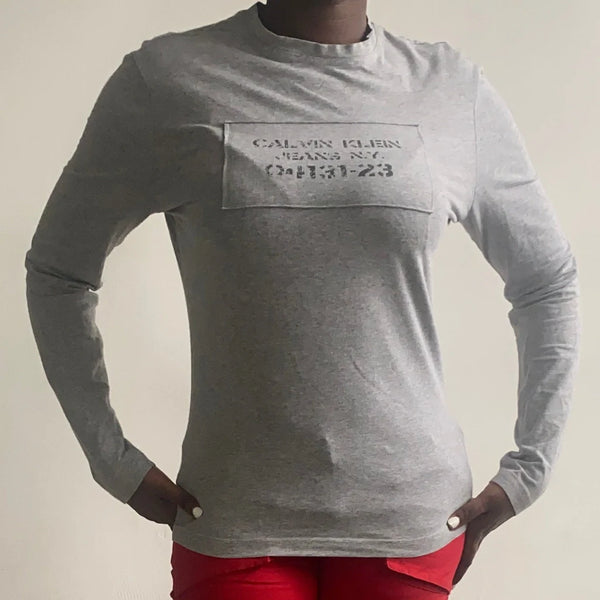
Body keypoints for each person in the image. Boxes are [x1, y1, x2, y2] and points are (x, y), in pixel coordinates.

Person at [24, 1, 581, 598]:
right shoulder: (168, 80)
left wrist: (530, 468)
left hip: (409, 519)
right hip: (235, 516)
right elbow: (59, 271)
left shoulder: (448, 87)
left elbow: (546, 280)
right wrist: (113, 461)